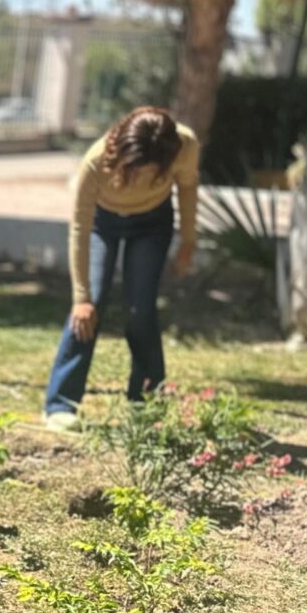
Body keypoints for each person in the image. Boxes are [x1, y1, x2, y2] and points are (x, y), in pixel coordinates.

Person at [43, 106, 199, 431]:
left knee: (141, 311)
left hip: (152, 223)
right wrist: (80, 297)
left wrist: (188, 241)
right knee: (91, 305)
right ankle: (60, 404)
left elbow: (187, 188)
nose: (142, 175)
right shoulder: (97, 160)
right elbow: (79, 231)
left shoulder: (184, 145)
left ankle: (146, 405)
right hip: (104, 223)